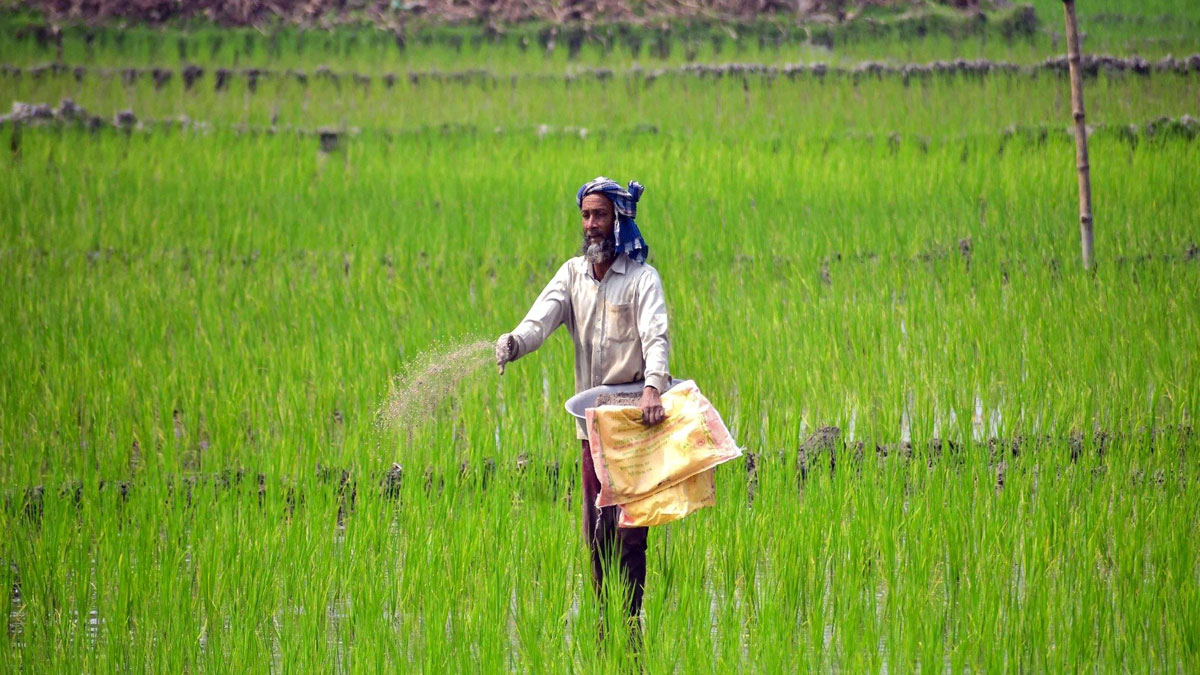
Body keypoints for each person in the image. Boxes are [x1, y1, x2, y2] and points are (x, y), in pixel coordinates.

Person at [495, 176, 670, 633]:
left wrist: (654, 385)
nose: (591, 225)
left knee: (630, 534)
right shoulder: (572, 275)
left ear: (618, 220)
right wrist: (513, 343)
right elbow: (540, 319)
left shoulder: (641, 280)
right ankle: (603, 621)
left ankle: (629, 622)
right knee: (596, 534)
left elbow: (656, 337)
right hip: (590, 430)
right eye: (586, 216)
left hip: (634, 425)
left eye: (600, 215)